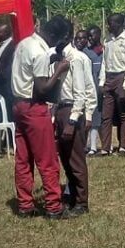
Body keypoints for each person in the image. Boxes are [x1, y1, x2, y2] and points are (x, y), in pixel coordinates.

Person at [12, 20, 70, 217]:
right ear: (54, 37)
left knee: (23, 158)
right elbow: (43, 88)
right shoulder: (40, 53)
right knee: (47, 160)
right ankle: (54, 206)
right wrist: (59, 70)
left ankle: (25, 204)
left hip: (18, 105)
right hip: (34, 107)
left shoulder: (24, 44)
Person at [49, 17, 97, 214]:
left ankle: (81, 203)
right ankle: (72, 196)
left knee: (76, 160)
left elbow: (81, 93)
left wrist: (72, 120)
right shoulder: (58, 58)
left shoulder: (75, 59)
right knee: (66, 159)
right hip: (60, 109)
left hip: (71, 111)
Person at [96, 13, 125, 155]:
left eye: (111, 23)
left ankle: (123, 147)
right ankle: (105, 148)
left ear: (119, 24)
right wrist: (102, 82)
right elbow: (104, 62)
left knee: (123, 114)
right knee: (106, 116)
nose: (109, 25)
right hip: (109, 77)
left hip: (121, 77)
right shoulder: (107, 40)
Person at [81, 27, 104, 154]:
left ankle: (97, 145)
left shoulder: (103, 51)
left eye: (92, 36)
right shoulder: (85, 52)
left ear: (99, 35)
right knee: (89, 114)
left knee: (98, 115)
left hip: (99, 86)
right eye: (88, 36)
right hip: (88, 86)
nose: (90, 39)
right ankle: (89, 145)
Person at [0, 24, 16, 118]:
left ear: (7, 33)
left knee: (6, 112)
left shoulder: (13, 46)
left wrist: (1, 78)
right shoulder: (2, 45)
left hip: (5, 86)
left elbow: (9, 68)